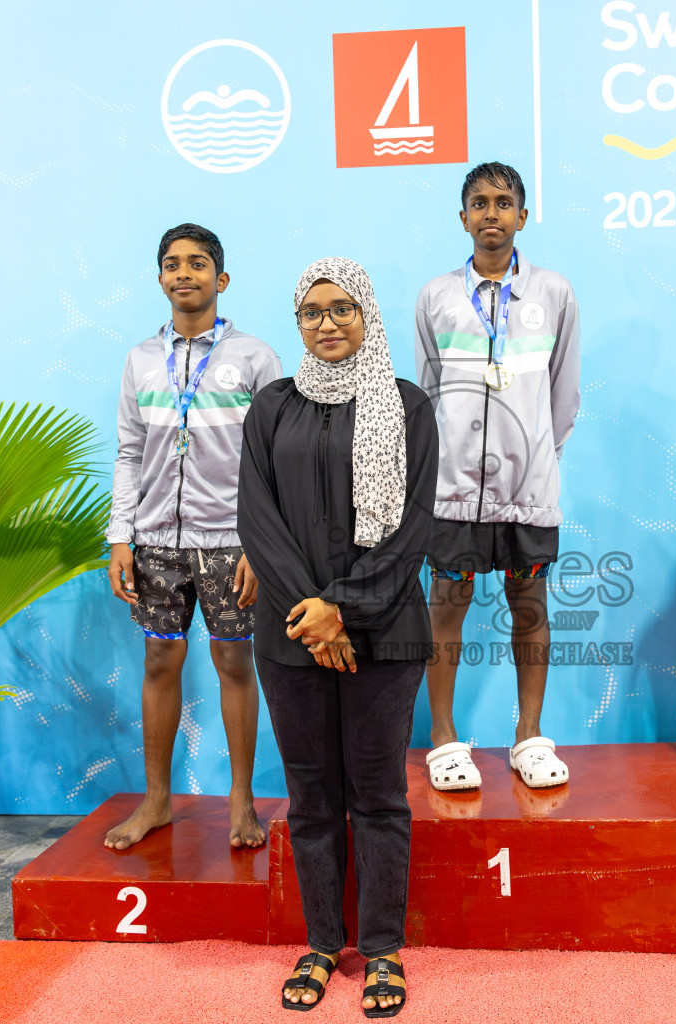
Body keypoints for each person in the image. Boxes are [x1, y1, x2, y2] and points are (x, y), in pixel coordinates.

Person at [239, 257, 437, 1016]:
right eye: (312, 312)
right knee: (312, 798)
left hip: (384, 634)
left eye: (342, 308)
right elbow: (257, 518)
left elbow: (414, 525)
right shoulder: (273, 407)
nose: (327, 323)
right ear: (298, 323)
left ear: (369, 315)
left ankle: (382, 949)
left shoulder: (408, 405)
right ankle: (323, 942)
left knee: (380, 797)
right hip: (291, 637)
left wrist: (344, 610)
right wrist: (313, 614)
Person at [104, 223, 282, 851]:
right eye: (173, 264)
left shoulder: (255, 358)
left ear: (221, 279)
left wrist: (261, 547)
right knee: (160, 659)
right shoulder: (139, 360)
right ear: (160, 278)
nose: (185, 274)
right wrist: (120, 536)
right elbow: (130, 453)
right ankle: (155, 801)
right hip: (155, 540)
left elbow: (272, 462)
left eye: (198, 263)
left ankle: (241, 801)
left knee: (235, 660)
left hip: (231, 542)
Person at [414, 161, 581, 793]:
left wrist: (539, 454)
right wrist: (441, 465)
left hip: (528, 492)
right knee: (446, 607)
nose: (491, 213)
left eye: (503, 202)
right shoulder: (437, 296)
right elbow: (429, 393)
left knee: (529, 606)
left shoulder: (554, 293)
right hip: (452, 490)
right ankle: (444, 736)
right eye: (479, 202)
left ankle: (529, 737)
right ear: (463, 217)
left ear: (522, 215)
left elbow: (562, 395)